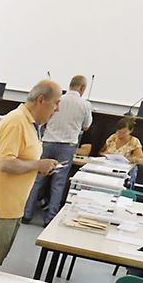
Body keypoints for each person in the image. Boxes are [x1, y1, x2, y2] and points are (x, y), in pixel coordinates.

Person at [0, 79, 60, 268]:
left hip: (12, 204)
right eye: (56, 103)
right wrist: (37, 164)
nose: (57, 109)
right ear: (41, 100)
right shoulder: (16, 122)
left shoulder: (30, 123)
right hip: (1, 203)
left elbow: (21, 159)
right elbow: (6, 163)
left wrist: (38, 166)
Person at [26, 73, 93, 224]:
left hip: (48, 141)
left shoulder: (58, 100)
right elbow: (87, 126)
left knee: (37, 179)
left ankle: (26, 213)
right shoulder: (85, 105)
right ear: (82, 88)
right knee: (59, 183)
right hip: (67, 146)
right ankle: (50, 218)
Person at [101, 114, 143, 186]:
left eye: (124, 132)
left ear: (131, 131)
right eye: (118, 132)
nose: (120, 135)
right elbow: (101, 152)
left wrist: (132, 159)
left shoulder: (134, 141)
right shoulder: (113, 137)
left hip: (124, 173)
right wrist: (106, 154)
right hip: (109, 169)